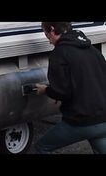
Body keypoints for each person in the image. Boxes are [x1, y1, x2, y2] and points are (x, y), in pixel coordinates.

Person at [35, 22, 106, 154]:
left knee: (41, 147)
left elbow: (61, 92)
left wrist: (46, 90)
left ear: (52, 29)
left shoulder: (59, 53)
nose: (49, 41)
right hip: (103, 120)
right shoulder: (92, 50)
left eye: (46, 34)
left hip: (82, 121)